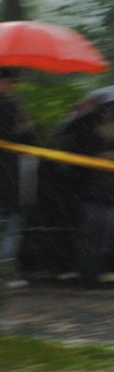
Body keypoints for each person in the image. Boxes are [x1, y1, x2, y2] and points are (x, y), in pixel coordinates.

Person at [57, 99, 114, 289]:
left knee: (106, 240)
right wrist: (99, 154)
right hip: (93, 193)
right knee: (90, 238)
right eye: (110, 108)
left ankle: (95, 274)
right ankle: (87, 277)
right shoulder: (87, 130)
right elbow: (76, 150)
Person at [0, 67, 38, 282]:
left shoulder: (15, 106)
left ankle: (5, 271)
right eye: (10, 81)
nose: (13, 86)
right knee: (9, 225)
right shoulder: (9, 107)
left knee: (13, 225)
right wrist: (18, 129)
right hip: (6, 176)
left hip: (14, 177)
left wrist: (27, 128)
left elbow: (30, 142)